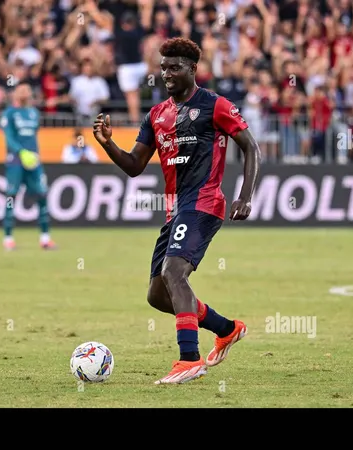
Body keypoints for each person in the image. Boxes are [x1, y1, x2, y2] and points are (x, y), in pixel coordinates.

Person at [92, 37, 261, 385]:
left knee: (174, 272)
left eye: (174, 67)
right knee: (157, 294)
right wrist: (108, 144)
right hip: (175, 211)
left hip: (204, 202)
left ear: (192, 68)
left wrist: (245, 196)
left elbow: (251, 148)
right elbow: (135, 165)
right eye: (163, 67)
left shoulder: (215, 105)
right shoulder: (157, 115)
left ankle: (189, 359)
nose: (167, 74)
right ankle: (226, 329)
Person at [0, 83, 56, 251]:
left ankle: (45, 239)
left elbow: (33, 136)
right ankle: (8, 239)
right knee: (11, 197)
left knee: (42, 196)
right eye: (21, 89)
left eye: (28, 89)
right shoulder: (9, 113)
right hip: (15, 161)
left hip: (34, 162)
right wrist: (21, 152)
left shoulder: (34, 113)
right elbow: (8, 138)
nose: (25, 92)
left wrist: (32, 154)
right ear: (15, 93)